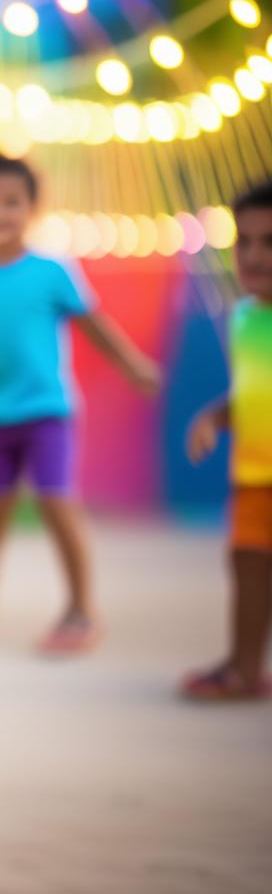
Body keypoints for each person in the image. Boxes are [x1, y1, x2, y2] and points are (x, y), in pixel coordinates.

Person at [0, 151, 160, 654]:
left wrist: (133, 364)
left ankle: (80, 611)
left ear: (32, 207)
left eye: (11, 202)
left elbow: (95, 326)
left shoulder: (54, 270)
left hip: (48, 411)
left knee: (56, 501)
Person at [181, 180, 272, 701]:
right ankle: (244, 667)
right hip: (253, 474)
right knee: (246, 565)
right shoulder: (243, 317)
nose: (255, 256)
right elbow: (250, 394)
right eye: (246, 242)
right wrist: (214, 418)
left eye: (270, 242)